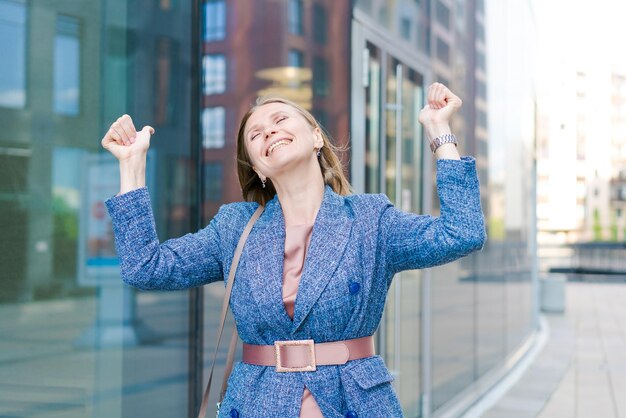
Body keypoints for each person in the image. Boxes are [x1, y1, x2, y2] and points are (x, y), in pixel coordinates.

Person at [101, 82, 486, 418]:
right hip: (257, 404)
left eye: (280, 121)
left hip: (353, 400)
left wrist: (440, 132)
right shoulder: (234, 227)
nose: (269, 132)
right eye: (255, 135)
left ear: (316, 137)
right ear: (258, 168)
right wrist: (132, 167)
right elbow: (145, 267)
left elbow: (462, 233)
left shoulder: (370, 219)